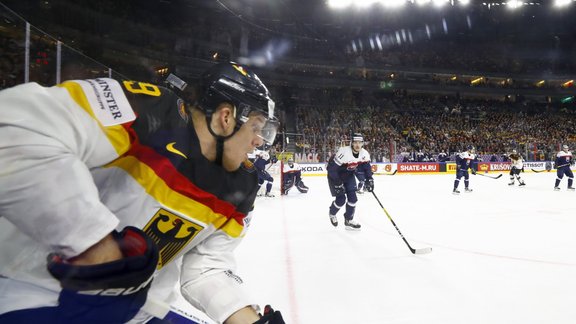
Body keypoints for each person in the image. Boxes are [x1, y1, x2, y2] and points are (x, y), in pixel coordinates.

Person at [0, 62, 285, 324]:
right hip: (27, 289)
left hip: (136, 312)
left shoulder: (242, 185)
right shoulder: (142, 108)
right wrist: (95, 246)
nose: (259, 142)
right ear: (226, 117)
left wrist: (249, 320)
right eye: (257, 128)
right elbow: (15, 130)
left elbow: (207, 268)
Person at [327, 133, 374, 230]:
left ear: (362, 143)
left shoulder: (364, 153)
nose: (357, 145)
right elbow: (332, 169)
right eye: (355, 142)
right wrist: (338, 183)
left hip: (349, 175)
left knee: (353, 199)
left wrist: (369, 179)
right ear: (352, 143)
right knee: (341, 200)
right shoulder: (344, 152)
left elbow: (366, 167)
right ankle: (332, 213)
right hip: (335, 176)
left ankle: (348, 220)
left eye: (360, 142)